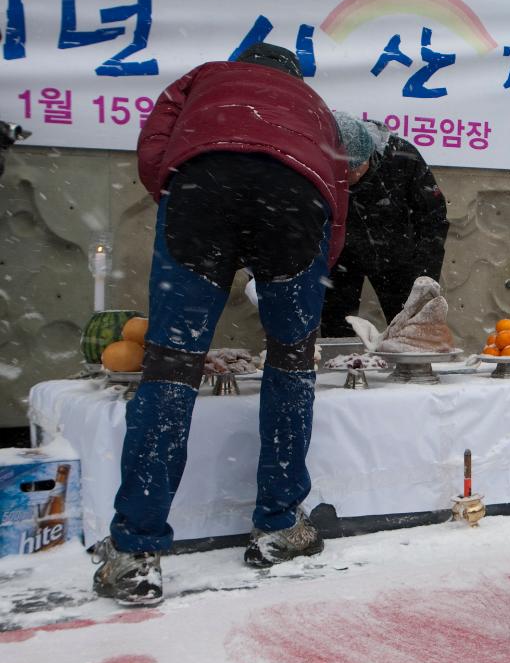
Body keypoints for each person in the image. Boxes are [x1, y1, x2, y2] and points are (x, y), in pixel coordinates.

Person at [91, 43, 356, 606]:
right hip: (295, 196)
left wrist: (182, 199)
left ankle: (136, 551)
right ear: (292, 76)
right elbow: (336, 197)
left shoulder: (207, 76)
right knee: (291, 362)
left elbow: (154, 149)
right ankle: (280, 524)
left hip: (202, 185)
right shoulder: (312, 105)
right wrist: (309, 278)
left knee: (172, 365)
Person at [319, 114, 450, 338]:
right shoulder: (317, 164)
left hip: (397, 256)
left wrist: (426, 275)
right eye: (339, 173)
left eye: (352, 170)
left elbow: (433, 217)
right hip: (340, 259)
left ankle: (410, 369)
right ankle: (344, 370)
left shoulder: (402, 157)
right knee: (336, 330)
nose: (347, 179)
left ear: (367, 156)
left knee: (410, 331)